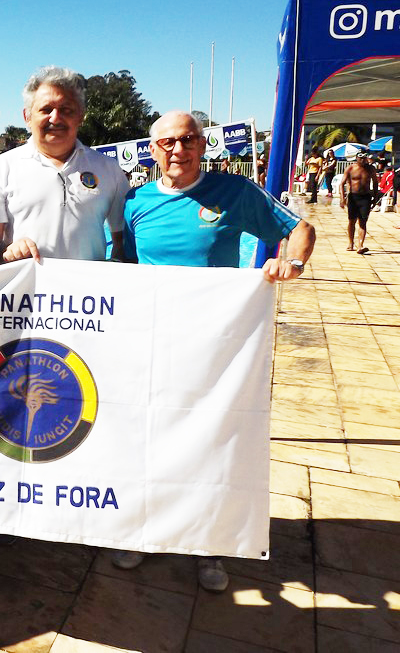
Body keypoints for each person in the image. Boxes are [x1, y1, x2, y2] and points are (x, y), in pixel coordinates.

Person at [121, 110, 315, 592]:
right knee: (150, 440)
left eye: (188, 139)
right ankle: (145, 531)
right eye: (167, 142)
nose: (178, 149)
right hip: (153, 344)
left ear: (202, 145)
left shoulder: (234, 191)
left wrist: (290, 262)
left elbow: (299, 229)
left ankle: (209, 544)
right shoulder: (135, 201)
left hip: (216, 348)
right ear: (152, 150)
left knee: (210, 444)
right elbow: (118, 265)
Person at [0, 66, 129, 264]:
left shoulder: (109, 169)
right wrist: (8, 252)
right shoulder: (2, 168)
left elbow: (124, 240)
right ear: (27, 117)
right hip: (28, 285)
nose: (55, 118)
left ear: (80, 116)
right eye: (46, 109)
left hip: (89, 285)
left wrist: (116, 271)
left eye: (66, 110)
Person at [339, 151, 379, 254]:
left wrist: (375, 198)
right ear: (356, 158)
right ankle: (350, 243)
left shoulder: (370, 169)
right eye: (360, 158)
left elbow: (375, 183)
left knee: (363, 221)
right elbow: (341, 184)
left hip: (365, 197)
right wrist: (342, 198)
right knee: (351, 221)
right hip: (353, 197)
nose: (362, 160)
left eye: (364, 158)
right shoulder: (350, 168)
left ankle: (360, 245)